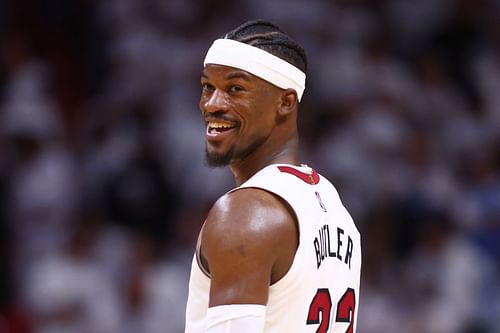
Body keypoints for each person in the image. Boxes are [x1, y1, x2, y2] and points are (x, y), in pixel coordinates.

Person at [185, 19, 362, 333]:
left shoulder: (244, 213)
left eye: (235, 89)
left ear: (286, 102)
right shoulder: (335, 210)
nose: (212, 104)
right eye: (207, 87)